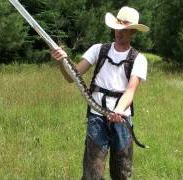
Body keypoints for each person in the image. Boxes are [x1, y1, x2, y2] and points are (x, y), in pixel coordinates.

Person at [51, 6, 149, 180]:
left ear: (133, 31)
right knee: (91, 174)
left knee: (122, 173)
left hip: (122, 119)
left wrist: (118, 111)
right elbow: (71, 77)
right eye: (117, 28)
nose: (119, 33)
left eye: (125, 30)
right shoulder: (99, 49)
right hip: (96, 117)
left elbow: (130, 91)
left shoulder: (139, 59)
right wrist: (61, 62)